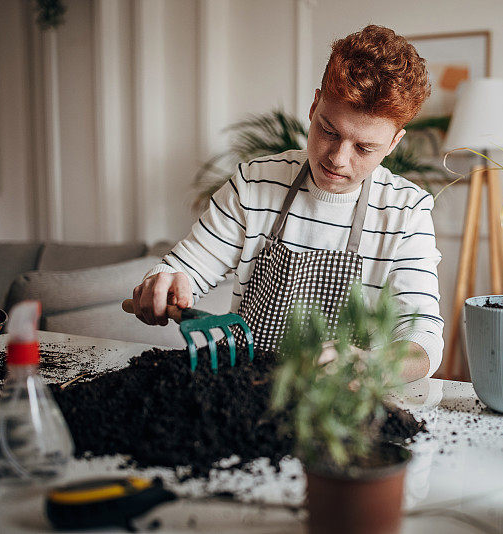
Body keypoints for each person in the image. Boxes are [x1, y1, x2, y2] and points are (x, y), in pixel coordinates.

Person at [130, 25, 443, 382]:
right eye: (329, 130)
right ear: (314, 106)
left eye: (364, 147)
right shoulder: (254, 183)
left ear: (393, 143)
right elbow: (186, 268)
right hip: (246, 389)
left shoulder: (407, 212)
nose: (338, 158)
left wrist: (369, 365)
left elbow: (422, 342)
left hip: (337, 407)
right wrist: (163, 280)